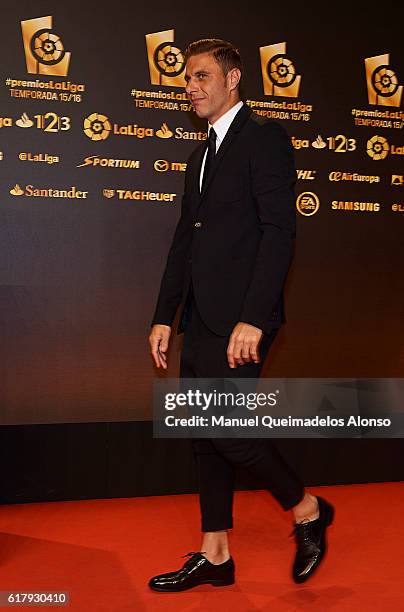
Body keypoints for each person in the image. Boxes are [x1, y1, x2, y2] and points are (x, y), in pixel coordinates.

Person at [148, 38, 334, 591]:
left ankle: (306, 509)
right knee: (205, 433)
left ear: (233, 80)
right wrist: (164, 314)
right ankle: (216, 554)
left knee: (228, 430)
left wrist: (253, 316)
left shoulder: (265, 139)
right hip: (202, 315)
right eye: (186, 79)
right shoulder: (198, 156)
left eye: (202, 76)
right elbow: (185, 239)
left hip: (243, 318)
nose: (192, 87)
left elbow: (280, 231)